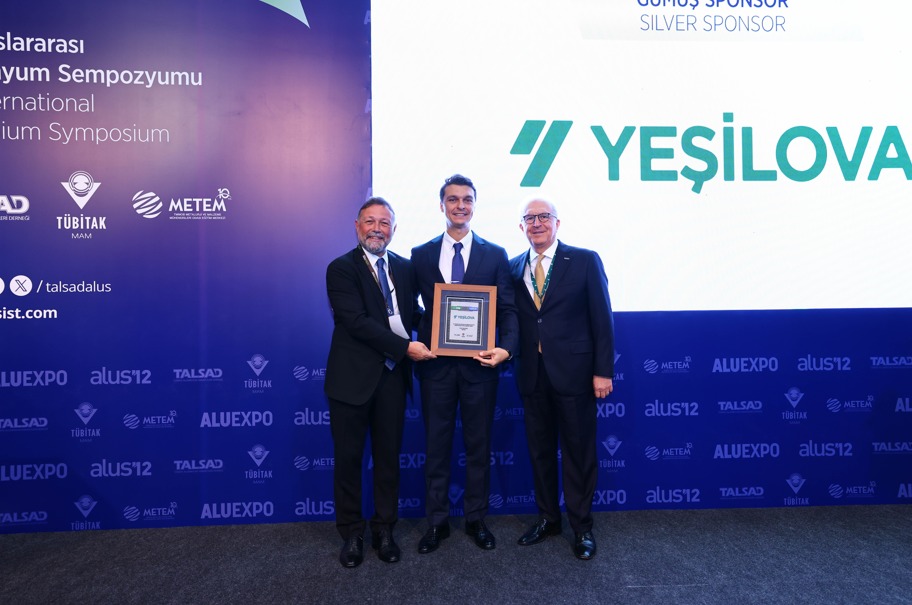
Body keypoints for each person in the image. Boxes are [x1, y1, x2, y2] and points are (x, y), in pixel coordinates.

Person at [324, 197, 435, 568]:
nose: (377, 229)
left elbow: (413, 314)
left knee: (388, 460)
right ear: (357, 226)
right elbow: (355, 322)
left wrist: (453, 328)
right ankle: (352, 534)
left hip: (392, 378)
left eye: (384, 223)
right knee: (349, 461)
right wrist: (406, 348)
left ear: (394, 229)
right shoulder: (341, 269)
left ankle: (384, 530)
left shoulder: (404, 268)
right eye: (370, 221)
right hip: (351, 380)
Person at [410, 174, 519, 553]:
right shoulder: (420, 254)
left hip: (480, 367)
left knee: (478, 446)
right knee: (436, 447)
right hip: (435, 367)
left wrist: (506, 349)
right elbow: (410, 309)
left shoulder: (495, 254)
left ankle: (476, 519)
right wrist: (423, 337)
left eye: (467, 199)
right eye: (453, 199)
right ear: (441, 205)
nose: (460, 205)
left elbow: (508, 309)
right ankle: (436, 523)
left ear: (474, 205)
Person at [508, 197, 615, 560]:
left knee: (578, 453)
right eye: (530, 218)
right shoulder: (513, 266)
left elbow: (602, 318)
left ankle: (582, 527)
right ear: (521, 226)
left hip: (575, 374)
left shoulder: (584, 260)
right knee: (539, 453)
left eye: (544, 217)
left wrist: (603, 371)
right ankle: (548, 519)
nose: (537, 223)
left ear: (557, 222)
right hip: (532, 375)